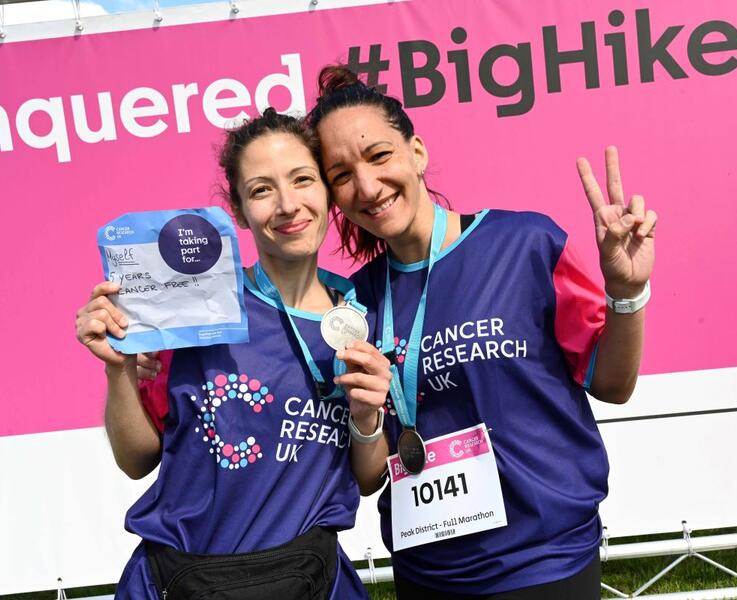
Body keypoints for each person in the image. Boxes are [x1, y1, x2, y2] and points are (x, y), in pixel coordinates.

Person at [305, 66, 657, 599]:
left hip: (546, 562)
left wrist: (626, 293)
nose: (368, 186)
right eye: (342, 174)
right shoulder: (352, 307)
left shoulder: (526, 245)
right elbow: (367, 471)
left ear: (416, 153)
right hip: (429, 572)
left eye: (379, 156)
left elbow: (613, 384)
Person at [75, 108, 390, 600]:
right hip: (185, 581)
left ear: (326, 192)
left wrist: (366, 416)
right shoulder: (194, 310)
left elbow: (368, 479)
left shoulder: (362, 316)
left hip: (309, 579)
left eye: (303, 180)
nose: (288, 205)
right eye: (262, 190)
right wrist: (117, 369)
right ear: (239, 211)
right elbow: (137, 460)